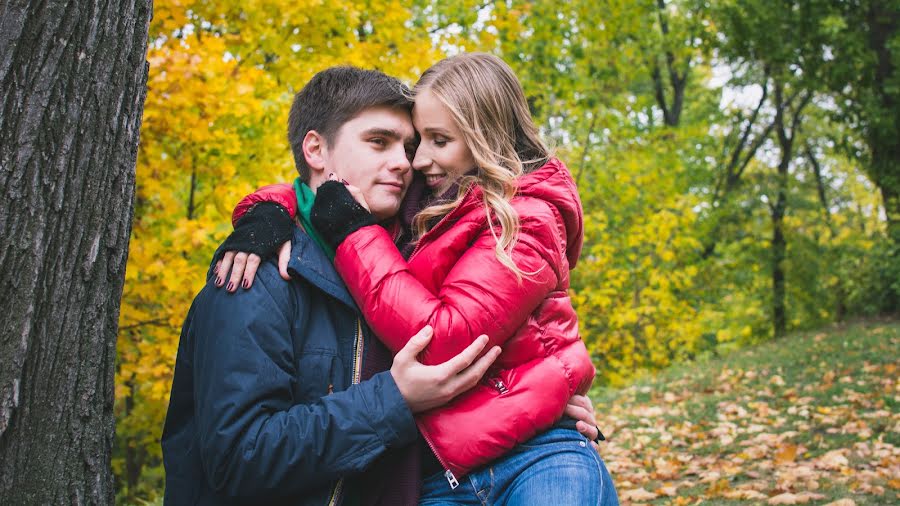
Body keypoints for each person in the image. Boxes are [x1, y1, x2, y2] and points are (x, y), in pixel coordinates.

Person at [221, 53, 617, 505]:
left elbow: (444, 342)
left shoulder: (526, 219)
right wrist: (268, 210)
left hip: (530, 452)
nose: (417, 160)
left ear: (483, 138)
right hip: (436, 472)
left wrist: (352, 230)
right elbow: (322, 187)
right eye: (415, 145)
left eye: (437, 140)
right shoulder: (427, 196)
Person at [161, 67, 509, 506]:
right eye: (378, 142)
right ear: (316, 149)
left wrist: (543, 410)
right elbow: (238, 459)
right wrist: (393, 400)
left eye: (408, 147)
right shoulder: (257, 275)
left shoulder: (406, 270)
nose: (404, 162)